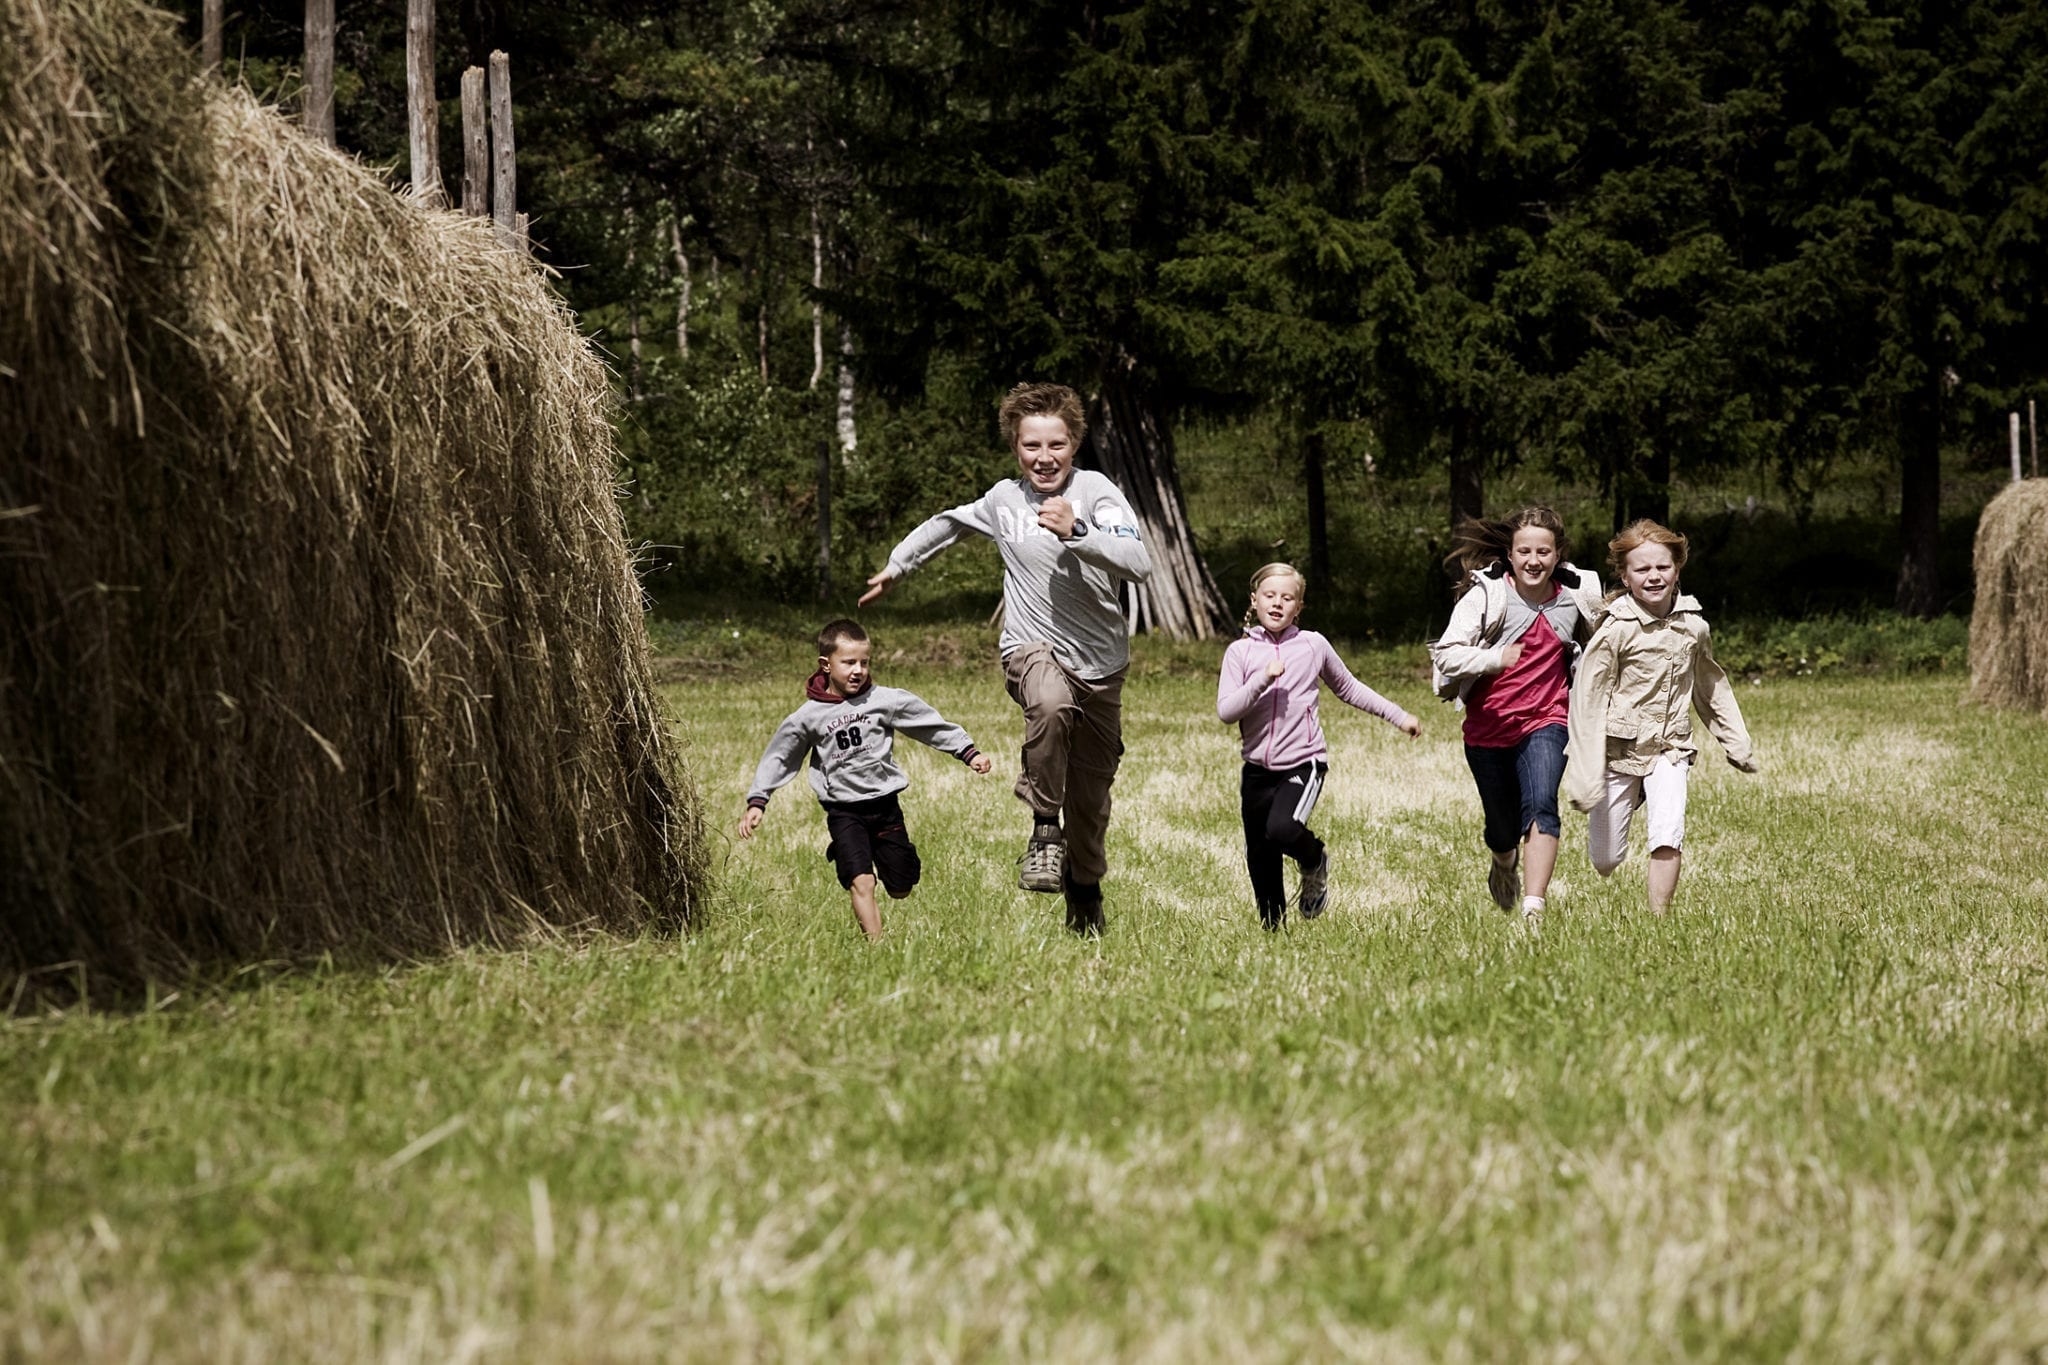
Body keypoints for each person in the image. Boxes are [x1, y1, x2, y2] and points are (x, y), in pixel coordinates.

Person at [859, 381, 1152, 935]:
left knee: (1090, 802)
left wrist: (1078, 530)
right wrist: (899, 565)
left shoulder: (1097, 493)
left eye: (1056, 445)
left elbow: (1138, 562)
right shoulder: (1003, 500)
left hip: (1101, 666)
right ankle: (1044, 829)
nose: (1044, 457)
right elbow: (949, 523)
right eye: (1031, 445)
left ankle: (1084, 890)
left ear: (1075, 444)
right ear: (1015, 448)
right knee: (1049, 703)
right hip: (1030, 648)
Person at [739, 619, 992, 939]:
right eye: (848, 663)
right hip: (844, 811)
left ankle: (894, 860)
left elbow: (928, 724)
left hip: (884, 807)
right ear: (826, 664)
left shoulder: (884, 700)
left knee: (900, 888)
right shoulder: (807, 717)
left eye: (864, 662)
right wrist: (758, 800)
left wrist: (967, 752)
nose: (858, 670)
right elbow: (780, 756)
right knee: (862, 881)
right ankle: (877, 946)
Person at [1565, 519, 1756, 914]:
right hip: (1619, 751)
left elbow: (1710, 686)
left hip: (1671, 747)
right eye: (1642, 569)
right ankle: (1634, 793)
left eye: (1662, 567)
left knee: (1668, 834)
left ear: (1677, 569)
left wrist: (1736, 742)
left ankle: (1659, 920)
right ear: (1625, 576)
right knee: (1605, 860)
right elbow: (1588, 697)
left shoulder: (1694, 626)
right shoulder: (1615, 630)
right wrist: (1583, 772)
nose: (1654, 577)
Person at [1217, 563, 1421, 930]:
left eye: (1287, 598)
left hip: (1303, 763)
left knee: (1282, 830)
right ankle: (1273, 931)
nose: (1277, 603)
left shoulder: (1312, 645)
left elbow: (1349, 687)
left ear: (1298, 607)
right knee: (1260, 853)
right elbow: (1227, 711)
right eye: (1269, 595)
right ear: (1254, 600)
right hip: (1256, 770)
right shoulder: (1239, 652)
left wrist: (1398, 715)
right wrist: (1262, 679)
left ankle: (1314, 859)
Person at [1429, 506, 1607, 925]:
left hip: (1548, 720)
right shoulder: (1487, 596)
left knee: (1542, 804)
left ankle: (1533, 908)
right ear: (1509, 555)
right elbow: (1447, 654)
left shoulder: (1578, 595)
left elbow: (1607, 642)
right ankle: (1503, 860)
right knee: (1501, 830)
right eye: (1524, 551)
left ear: (1558, 554)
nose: (1534, 560)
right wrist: (1495, 658)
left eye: (1543, 551)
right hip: (1487, 729)